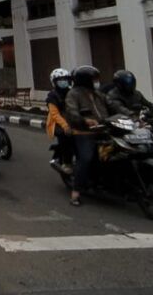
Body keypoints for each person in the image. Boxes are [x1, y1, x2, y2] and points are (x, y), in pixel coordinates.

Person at [63, 65, 110, 207]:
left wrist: (131, 116)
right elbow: (71, 112)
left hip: (103, 130)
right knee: (86, 158)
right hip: (84, 132)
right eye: (93, 79)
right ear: (85, 80)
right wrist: (85, 120)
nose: (96, 82)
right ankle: (75, 193)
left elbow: (113, 105)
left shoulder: (98, 94)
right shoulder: (73, 94)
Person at [45, 68, 74, 174]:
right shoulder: (52, 96)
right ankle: (67, 163)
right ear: (54, 82)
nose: (64, 81)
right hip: (57, 124)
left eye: (65, 79)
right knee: (66, 136)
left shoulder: (71, 92)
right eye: (60, 80)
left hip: (72, 121)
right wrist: (65, 126)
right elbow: (55, 114)